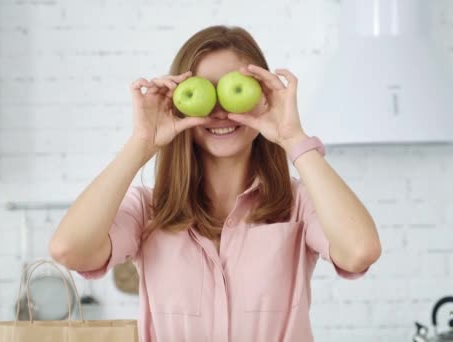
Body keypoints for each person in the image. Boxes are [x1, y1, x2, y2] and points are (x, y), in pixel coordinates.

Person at [49, 25, 381, 342]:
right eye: (208, 92)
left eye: (233, 90)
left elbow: (359, 251)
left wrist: (293, 139)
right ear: (180, 103)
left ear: (262, 96)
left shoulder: (298, 204)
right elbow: (70, 249)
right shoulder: (149, 209)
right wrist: (141, 142)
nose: (221, 111)